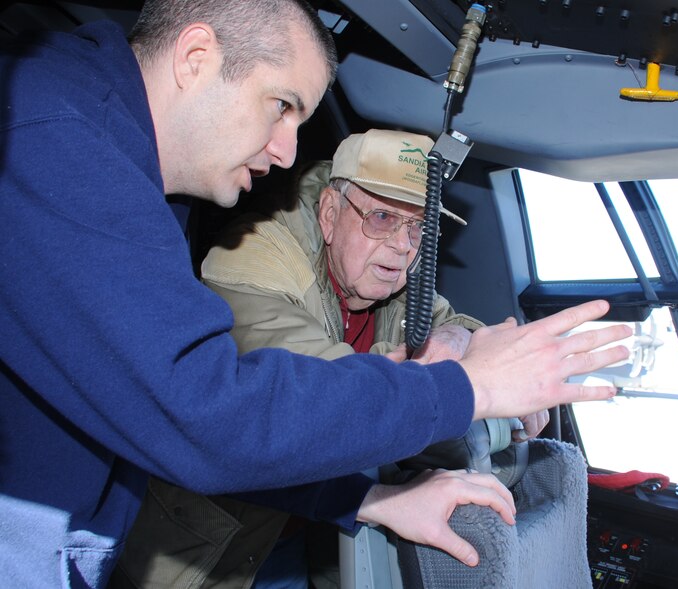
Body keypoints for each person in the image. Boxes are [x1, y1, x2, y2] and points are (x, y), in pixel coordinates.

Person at [0, 1, 631, 587]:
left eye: (418, 229)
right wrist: (472, 386)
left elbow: (147, 410)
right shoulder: (52, 135)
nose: (287, 152)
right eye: (281, 105)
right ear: (196, 60)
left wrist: (366, 498)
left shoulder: (128, 169)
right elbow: (215, 414)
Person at [113, 128, 551, 589]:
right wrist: (460, 376)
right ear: (328, 214)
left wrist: (455, 339)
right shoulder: (250, 255)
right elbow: (311, 401)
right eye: (382, 217)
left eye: (418, 226)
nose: (403, 246)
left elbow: (454, 325)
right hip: (206, 547)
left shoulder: (395, 283)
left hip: (317, 532)